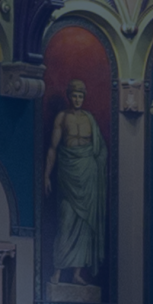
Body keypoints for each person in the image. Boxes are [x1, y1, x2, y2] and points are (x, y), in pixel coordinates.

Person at [43, 78, 106, 288]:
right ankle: (57, 272)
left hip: (88, 175)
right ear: (69, 96)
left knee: (85, 226)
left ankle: (78, 274)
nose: (78, 99)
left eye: (81, 96)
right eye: (74, 95)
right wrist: (46, 175)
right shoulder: (62, 118)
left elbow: (100, 150)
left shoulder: (90, 119)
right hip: (68, 174)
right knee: (66, 220)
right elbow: (53, 148)